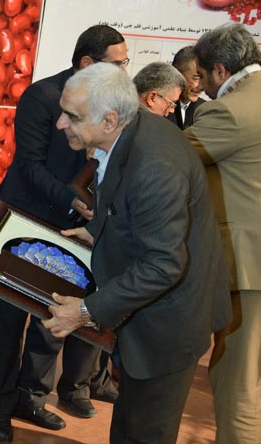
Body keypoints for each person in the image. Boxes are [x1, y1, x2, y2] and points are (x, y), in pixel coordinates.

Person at [43, 62, 232, 444]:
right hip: (145, 316)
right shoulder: (129, 130)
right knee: (128, 425)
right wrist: (98, 232)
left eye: (72, 116)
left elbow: (164, 264)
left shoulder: (153, 166)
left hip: (168, 327)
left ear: (110, 120)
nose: (61, 123)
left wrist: (86, 311)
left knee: (146, 432)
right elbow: (125, 206)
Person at [0, 24, 126, 443]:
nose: (124, 71)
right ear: (87, 63)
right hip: (24, 223)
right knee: (9, 321)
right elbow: (28, 165)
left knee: (53, 319)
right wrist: (73, 202)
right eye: (117, 63)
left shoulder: (110, 106)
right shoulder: (42, 96)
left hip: (72, 227)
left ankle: (32, 398)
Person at [183, 22, 261, 444]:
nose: (198, 87)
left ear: (219, 69)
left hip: (250, 270)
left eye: (200, 76)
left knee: (237, 385)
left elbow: (172, 158)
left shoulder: (230, 110)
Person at [167, 46, 205, 128]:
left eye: (203, 78)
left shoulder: (205, 110)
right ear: (177, 74)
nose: (201, 86)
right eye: (196, 78)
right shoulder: (159, 105)